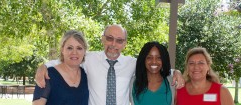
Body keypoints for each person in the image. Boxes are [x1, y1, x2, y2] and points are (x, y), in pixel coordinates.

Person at [35, 24, 184, 105]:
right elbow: (69, 58)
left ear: (124, 44)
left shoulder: (132, 63)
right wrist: (44, 66)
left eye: (119, 40)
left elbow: (154, 67)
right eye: (110, 38)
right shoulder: (89, 59)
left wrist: (175, 71)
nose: (113, 44)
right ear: (103, 39)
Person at [32, 30, 89, 105]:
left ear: (84, 51)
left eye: (79, 48)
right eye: (69, 48)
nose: (74, 52)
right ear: (62, 50)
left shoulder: (86, 75)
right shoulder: (48, 75)